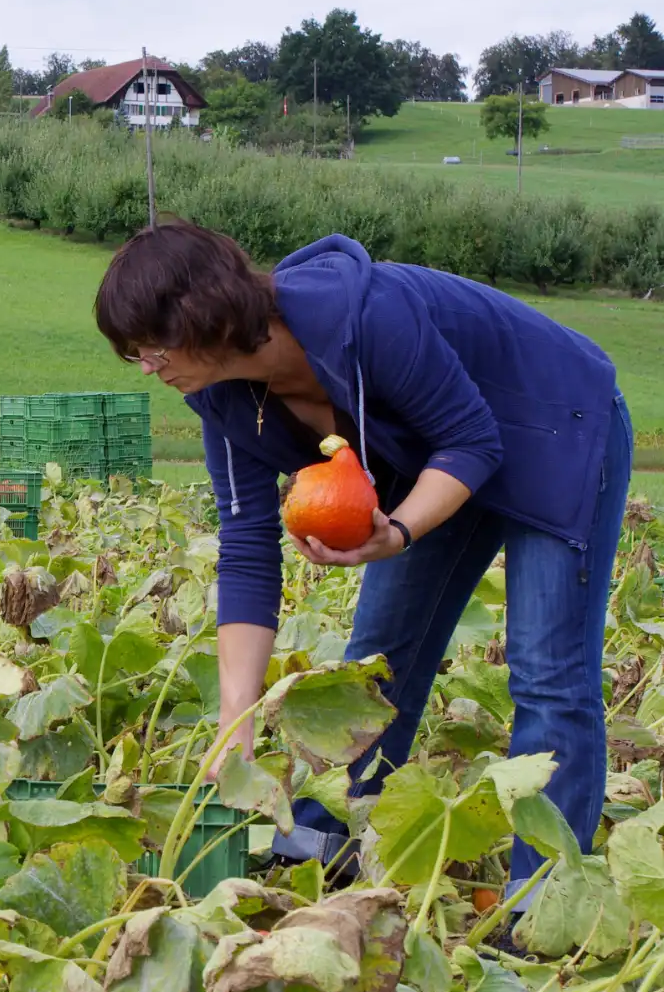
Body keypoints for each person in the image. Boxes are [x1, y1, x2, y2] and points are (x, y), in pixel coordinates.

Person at [94, 221, 631, 911]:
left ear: (206, 317)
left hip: (557, 424)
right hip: (435, 459)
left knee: (547, 671)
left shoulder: (365, 315)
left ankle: (545, 895)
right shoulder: (219, 398)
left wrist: (401, 529)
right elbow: (247, 546)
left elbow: (472, 436)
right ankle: (332, 840)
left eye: (150, 344)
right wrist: (238, 717)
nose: (145, 364)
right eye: (131, 351)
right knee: (378, 664)